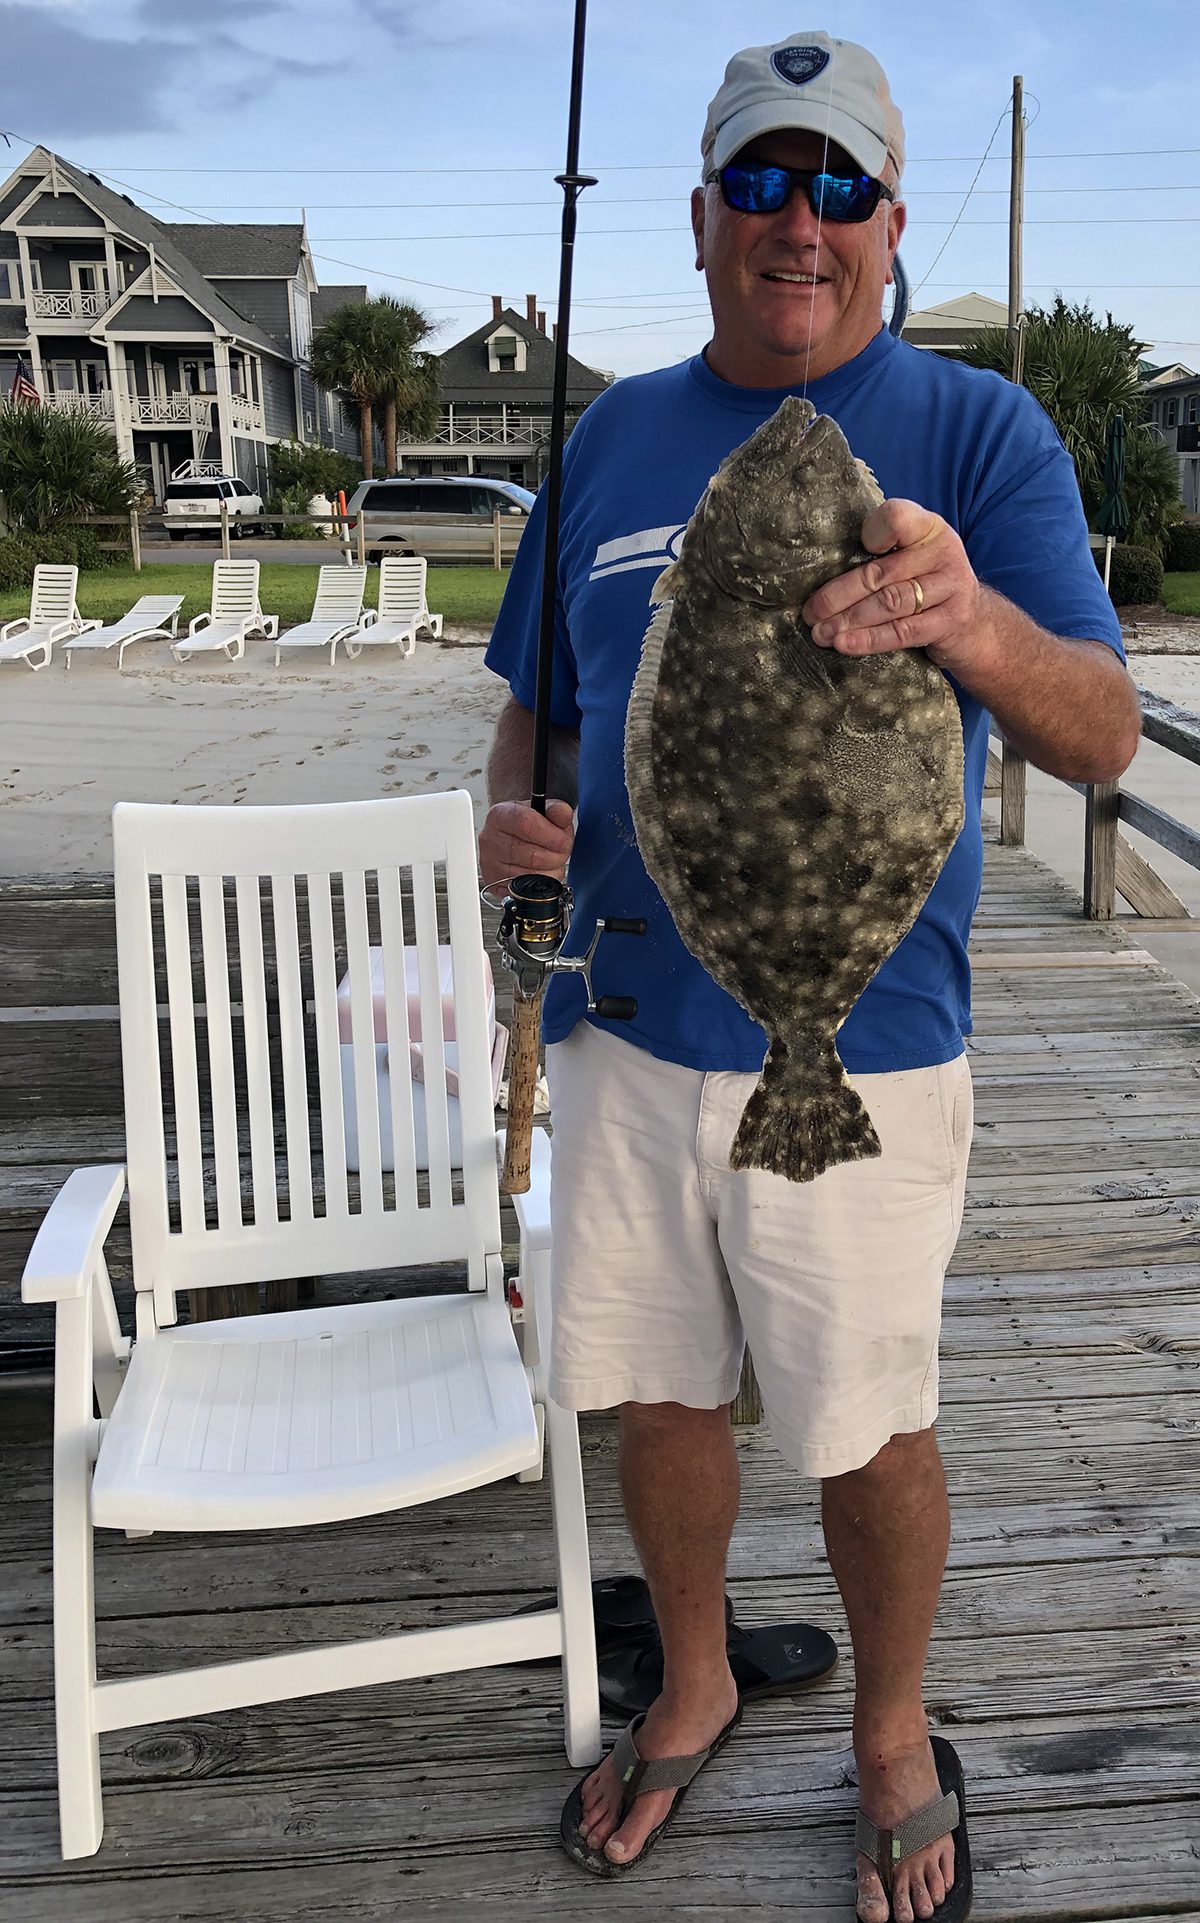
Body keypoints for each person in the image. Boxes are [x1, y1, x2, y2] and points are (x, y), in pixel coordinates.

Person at [480, 30, 1141, 1923]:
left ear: (888, 222)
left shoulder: (981, 438)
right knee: (658, 1393)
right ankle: (693, 1673)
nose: (799, 221)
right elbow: (538, 723)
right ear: (700, 218)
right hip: (619, 1030)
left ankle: (890, 1726)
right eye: (762, 183)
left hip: (863, 1038)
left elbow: (1099, 736)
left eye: (837, 185)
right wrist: (504, 851)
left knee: (867, 1407)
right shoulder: (604, 436)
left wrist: (977, 623)